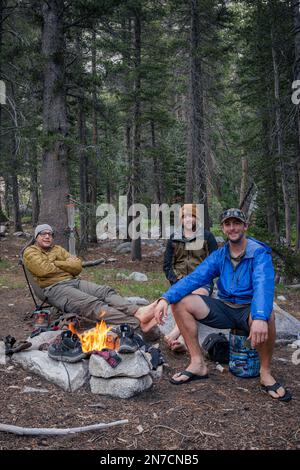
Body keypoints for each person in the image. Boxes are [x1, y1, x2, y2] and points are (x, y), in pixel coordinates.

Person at [153, 208, 292, 402]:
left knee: (267, 316)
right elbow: (195, 278)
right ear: (223, 228)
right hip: (225, 308)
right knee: (180, 303)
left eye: (236, 223)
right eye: (228, 224)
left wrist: (259, 316)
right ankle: (197, 363)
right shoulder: (220, 255)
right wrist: (165, 298)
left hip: (248, 308)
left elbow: (263, 285)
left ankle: (265, 373)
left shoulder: (258, 253)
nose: (232, 228)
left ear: (245, 226)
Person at [23, 224, 158, 344]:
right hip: (54, 288)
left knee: (105, 291)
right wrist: (63, 264)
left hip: (74, 281)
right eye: (43, 234)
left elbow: (77, 266)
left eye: (50, 234)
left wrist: (55, 262)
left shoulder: (57, 249)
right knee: (92, 304)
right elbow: (44, 270)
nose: (47, 236)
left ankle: (138, 311)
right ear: (36, 237)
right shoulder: (30, 251)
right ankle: (136, 322)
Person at [163, 204, 218, 352]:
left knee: (194, 299)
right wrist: (176, 282)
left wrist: (206, 279)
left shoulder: (207, 237)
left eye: (191, 216)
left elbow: (216, 263)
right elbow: (167, 266)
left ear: (196, 218)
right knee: (182, 298)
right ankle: (181, 340)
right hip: (180, 280)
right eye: (184, 216)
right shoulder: (174, 238)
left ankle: (175, 333)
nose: (188, 219)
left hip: (202, 282)